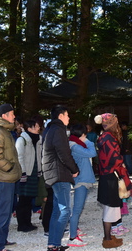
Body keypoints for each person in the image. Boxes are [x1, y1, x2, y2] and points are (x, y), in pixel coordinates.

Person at [42, 105, 79, 251]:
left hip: (53, 173)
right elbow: (64, 153)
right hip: (59, 173)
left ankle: (53, 245)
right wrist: (74, 169)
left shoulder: (50, 129)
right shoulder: (58, 130)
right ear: (60, 116)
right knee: (65, 210)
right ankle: (54, 245)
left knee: (57, 210)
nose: (69, 118)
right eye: (67, 115)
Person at [0, 103, 22, 251]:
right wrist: (9, 168)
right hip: (1, 179)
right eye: (12, 113)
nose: (14, 116)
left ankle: (1, 243)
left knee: (5, 213)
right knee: (0, 214)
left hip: (6, 178)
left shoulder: (4, 130)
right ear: (4, 115)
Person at [95, 113, 132, 249]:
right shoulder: (109, 138)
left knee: (110, 208)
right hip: (111, 175)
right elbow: (114, 158)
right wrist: (122, 165)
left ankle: (109, 236)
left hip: (107, 175)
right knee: (110, 208)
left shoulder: (104, 136)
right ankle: (107, 239)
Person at [67, 124, 97, 247]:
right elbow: (93, 153)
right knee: (77, 209)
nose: (86, 136)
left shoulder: (75, 145)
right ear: (81, 135)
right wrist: (88, 141)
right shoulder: (75, 146)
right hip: (81, 181)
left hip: (82, 179)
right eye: (84, 134)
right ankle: (72, 237)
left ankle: (75, 230)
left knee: (77, 208)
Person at [15, 119, 42, 232]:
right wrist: (23, 172)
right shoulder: (22, 140)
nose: (38, 127)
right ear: (29, 128)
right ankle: (22, 224)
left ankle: (28, 222)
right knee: (23, 200)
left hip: (34, 172)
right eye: (36, 126)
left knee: (30, 199)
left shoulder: (39, 139)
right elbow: (19, 157)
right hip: (26, 173)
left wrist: (40, 170)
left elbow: (40, 156)